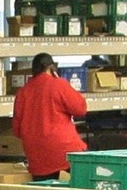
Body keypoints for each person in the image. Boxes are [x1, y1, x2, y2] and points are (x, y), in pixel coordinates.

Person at [9, 52, 88, 182]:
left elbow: (17, 131)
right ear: (51, 68)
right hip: (65, 152)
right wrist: (59, 80)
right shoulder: (58, 85)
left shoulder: (23, 92)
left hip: (37, 158)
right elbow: (81, 109)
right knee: (86, 178)